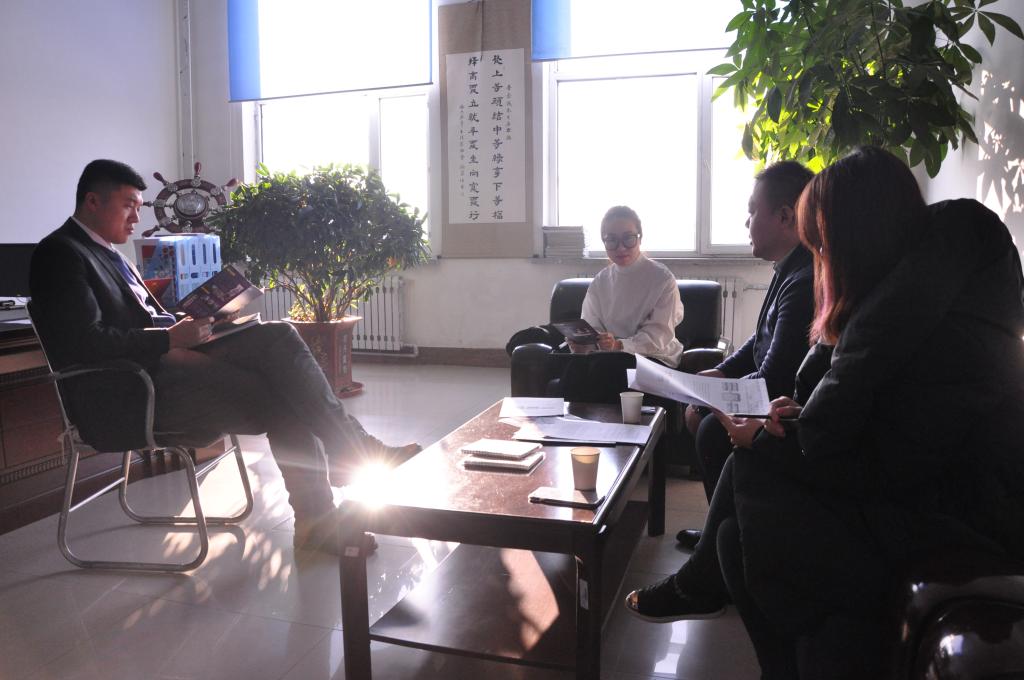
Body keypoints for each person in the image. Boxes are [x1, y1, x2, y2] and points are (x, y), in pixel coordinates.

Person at [633, 146, 1024, 679]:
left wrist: (774, 430)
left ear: (856, 235)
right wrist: (797, 411)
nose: (819, 259)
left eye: (822, 244)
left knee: (753, 468)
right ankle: (743, 626)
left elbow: (857, 366)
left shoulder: (956, 235)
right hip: (904, 471)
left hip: (955, 502)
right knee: (733, 530)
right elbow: (840, 385)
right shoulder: (895, 280)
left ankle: (705, 590)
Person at [29, 159, 420, 555]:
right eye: (129, 205)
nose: (136, 217)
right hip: (129, 394)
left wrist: (201, 320)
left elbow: (144, 322)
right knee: (284, 380)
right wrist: (169, 339)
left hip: (166, 369)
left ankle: (336, 483)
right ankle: (343, 471)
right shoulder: (60, 254)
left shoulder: (112, 254)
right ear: (93, 201)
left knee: (278, 338)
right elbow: (85, 343)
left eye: (139, 206)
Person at [676, 161, 815, 550]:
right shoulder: (788, 268)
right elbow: (761, 340)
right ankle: (721, 532)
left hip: (787, 404)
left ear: (785, 217)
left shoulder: (805, 279)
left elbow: (775, 375)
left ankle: (728, 543)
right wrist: (719, 373)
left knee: (709, 426)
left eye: (753, 211)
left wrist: (712, 397)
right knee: (704, 413)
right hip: (776, 392)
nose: (746, 222)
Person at [572, 205, 684, 366]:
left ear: (640, 238)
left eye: (628, 238)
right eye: (612, 240)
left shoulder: (662, 278)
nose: (621, 247)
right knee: (573, 369)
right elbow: (591, 326)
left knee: (608, 370)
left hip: (655, 356)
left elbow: (659, 334)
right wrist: (584, 345)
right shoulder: (600, 281)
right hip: (609, 356)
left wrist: (618, 345)